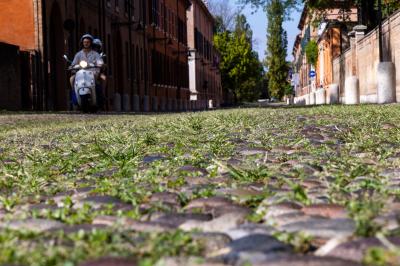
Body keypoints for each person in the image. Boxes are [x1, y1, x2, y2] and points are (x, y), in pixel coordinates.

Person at [92, 38, 107, 110]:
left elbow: (103, 65)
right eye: (93, 46)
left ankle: (102, 94)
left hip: (98, 73)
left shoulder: (101, 55)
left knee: (103, 77)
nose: (95, 48)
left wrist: (102, 65)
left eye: (96, 47)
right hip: (87, 72)